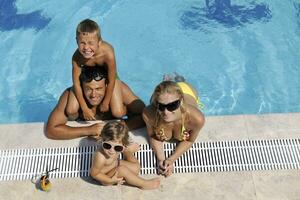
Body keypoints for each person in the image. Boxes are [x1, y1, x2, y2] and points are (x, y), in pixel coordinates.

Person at [46, 67, 145, 140]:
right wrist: (88, 130)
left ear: (107, 86)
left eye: (98, 89)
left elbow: (145, 114)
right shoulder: (69, 96)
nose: (93, 95)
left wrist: (118, 128)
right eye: (88, 89)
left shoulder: (121, 92)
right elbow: (51, 130)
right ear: (81, 88)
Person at [143, 73, 205, 177]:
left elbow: (189, 140)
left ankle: (178, 79)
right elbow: (153, 136)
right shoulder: (149, 114)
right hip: (169, 95)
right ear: (156, 104)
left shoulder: (196, 119)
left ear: (181, 101)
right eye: (161, 106)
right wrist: (161, 160)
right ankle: (167, 81)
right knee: (166, 89)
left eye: (172, 106)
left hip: (188, 91)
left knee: (180, 81)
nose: (166, 112)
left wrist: (172, 159)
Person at [67, 18, 125, 121]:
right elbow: (76, 84)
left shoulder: (108, 53)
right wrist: (84, 108)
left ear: (99, 42)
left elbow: (112, 80)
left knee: (118, 112)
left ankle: (126, 109)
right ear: (76, 41)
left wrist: (106, 102)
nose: (86, 48)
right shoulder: (76, 58)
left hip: (107, 78)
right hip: (88, 79)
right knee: (71, 111)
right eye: (82, 43)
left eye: (90, 43)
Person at [90, 121, 160, 190]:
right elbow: (94, 174)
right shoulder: (100, 157)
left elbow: (122, 136)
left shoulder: (115, 145)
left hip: (114, 164)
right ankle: (143, 184)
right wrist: (110, 180)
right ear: (102, 141)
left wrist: (124, 148)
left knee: (136, 168)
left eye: (117, 148)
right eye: (107, 145)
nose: (111, 150)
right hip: (106, 178)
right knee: (122, 170)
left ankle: (127, 151)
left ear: (123, 145)